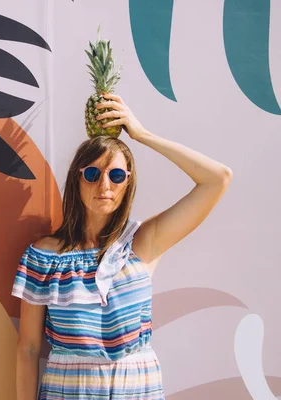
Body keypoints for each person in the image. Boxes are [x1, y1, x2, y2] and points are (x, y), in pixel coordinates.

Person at [12, 94, 232, 399]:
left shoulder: (143, 241)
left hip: (137, 389)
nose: (105, 186)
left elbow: (217, 179)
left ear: (128, 183)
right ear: (76, 180)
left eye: (116, 176)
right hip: (68, 391)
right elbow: (29, 347)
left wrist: (142, 135)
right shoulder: (44, 255)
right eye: (92, 174)